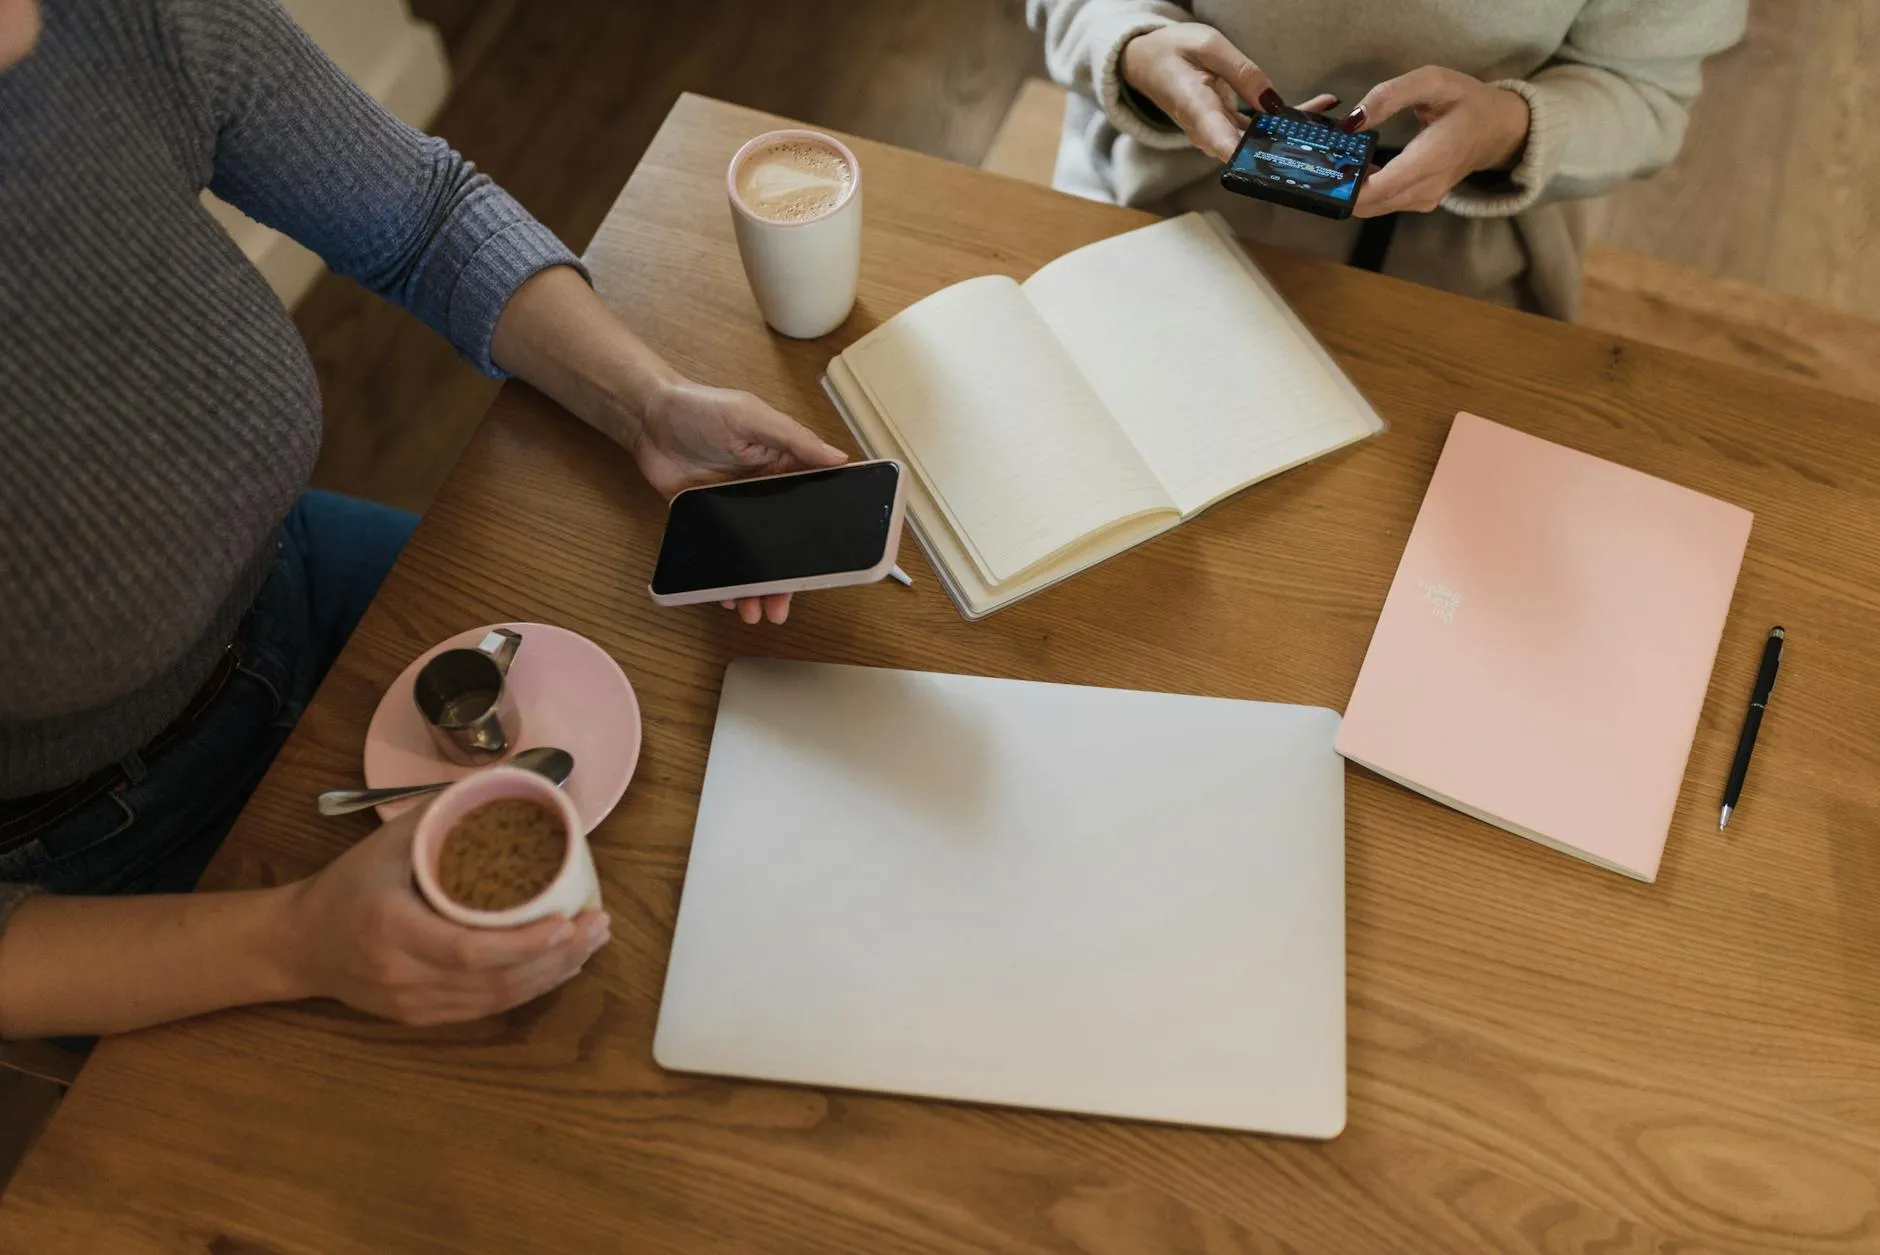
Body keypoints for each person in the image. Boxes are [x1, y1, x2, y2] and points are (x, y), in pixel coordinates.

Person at [0, 0, 846, 1038]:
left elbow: (421, 215)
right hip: (87, 863)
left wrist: (647, 404)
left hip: (290, 584)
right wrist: (292, 941)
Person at [1027, 0, 1747, 319]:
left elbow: (1648, 93)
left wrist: (1509, 129)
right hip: (1147, 205)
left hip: (1463, 272)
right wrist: (1131, 45)